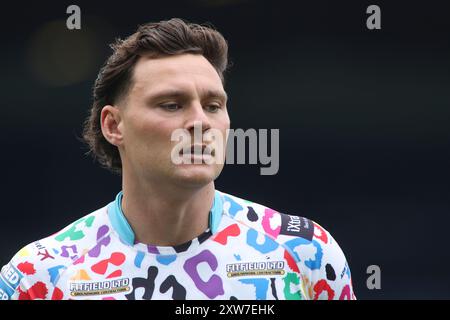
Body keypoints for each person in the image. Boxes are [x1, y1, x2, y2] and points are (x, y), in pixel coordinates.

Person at [0, 18, 355, 300]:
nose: (200, 122)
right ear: (113, 125)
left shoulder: (304, 253)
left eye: (213, 106)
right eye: (171, 104)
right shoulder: (41, 278)